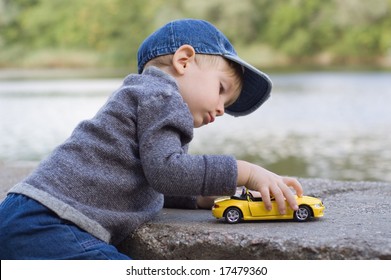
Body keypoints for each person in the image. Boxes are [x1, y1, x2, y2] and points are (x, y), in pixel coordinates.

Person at [0, 19, 303, 260]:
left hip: (27, 216)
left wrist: (199, 196)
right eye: (222, 89)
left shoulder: (144, 94)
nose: (222, 109)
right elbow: (168, 172)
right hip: (46, 223)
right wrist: (246, 172)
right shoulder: (162, 94)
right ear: (184, 61)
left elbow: (148, 178)